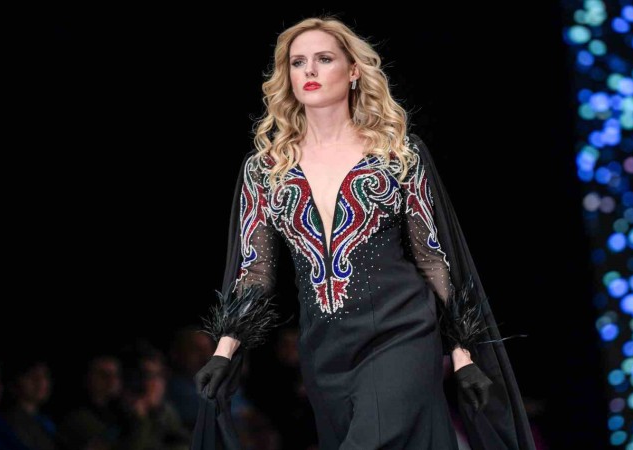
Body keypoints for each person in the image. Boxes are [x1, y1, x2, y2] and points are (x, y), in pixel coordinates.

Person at [192, 15, 536, 450]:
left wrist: (463, 354)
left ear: (353, 70)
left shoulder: (396, 155)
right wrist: (224, 351)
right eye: (298, 62)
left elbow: (432, 257)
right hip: (324, 352)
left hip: (401, 334)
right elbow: (256, 270)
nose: (310, 70)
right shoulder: (266, 169)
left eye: (324, 59)